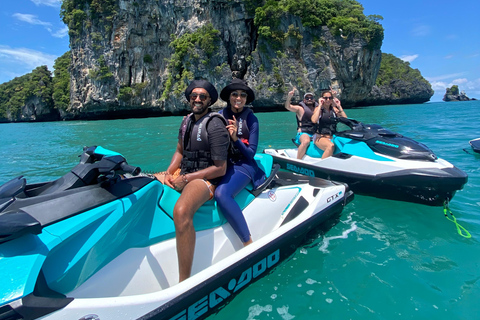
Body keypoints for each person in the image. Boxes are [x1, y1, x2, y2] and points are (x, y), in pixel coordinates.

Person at [153, 79, 230, 282]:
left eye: (202, 96)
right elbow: (180, 151)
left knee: (181, 211)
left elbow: (220, 168)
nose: (197, 99)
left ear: (209, 100)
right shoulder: (186, 121)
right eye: (193, 96)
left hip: (205, 179)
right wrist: (169, 172)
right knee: (148, 183)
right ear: (189, 99)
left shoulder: (215, 125)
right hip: (184, 172)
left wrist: (186, 178)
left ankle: (184, 281)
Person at [215, 78, 266, 246]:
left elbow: (251, 153)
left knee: (222, 194)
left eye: (242, 95)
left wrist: (236, 138)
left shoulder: (252, 120)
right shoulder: (219, 117)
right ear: (229, 97)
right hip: (222, 162)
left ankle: (247, 242)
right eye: (234, 94)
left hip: (243, 164)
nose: (238, 98)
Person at [311, 90, 347, 159]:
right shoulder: (318, 109)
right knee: (330, 146)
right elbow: (314, 120)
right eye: (325, 98)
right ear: (322, 99)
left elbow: (345, 119)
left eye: (330, 98)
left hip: (332, 136)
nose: (328, 100)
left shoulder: (334, 110)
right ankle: (321, 166)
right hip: (320, 137)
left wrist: (339, 106)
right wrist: (320, 105)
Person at [284, 88, 319, 159]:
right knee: (306, 141)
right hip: (304, 133)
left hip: (316, 133)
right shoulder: (300, 109)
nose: (309, 99)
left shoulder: (318, 109)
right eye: (307, 98)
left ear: (314, 100)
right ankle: (298, 161)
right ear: (304, 100)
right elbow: (288, 107)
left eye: (311, 98)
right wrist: (289, 97)